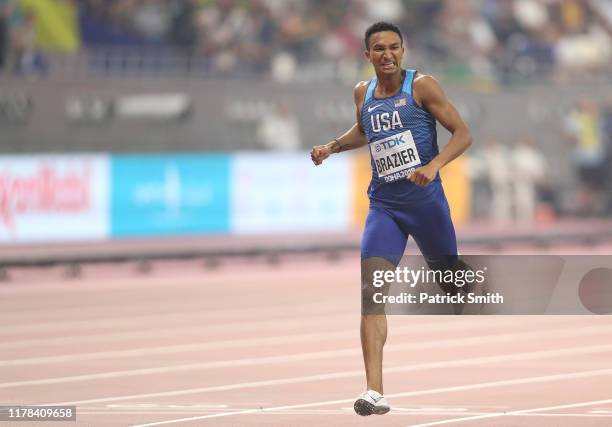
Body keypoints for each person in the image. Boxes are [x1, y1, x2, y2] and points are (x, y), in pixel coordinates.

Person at [310, 21, 472, 416]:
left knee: (452, 283)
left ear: (404, 50)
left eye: (394, 47)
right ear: (367, 55)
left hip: (426, 204)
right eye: (378, 48)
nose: (387, 54)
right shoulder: (362, 92)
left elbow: (463, 133)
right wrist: (332, 147)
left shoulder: (422, 86)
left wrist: (434, 165)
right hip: (384, 208)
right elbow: (364, 131)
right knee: (371, 296)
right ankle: (374, 392)